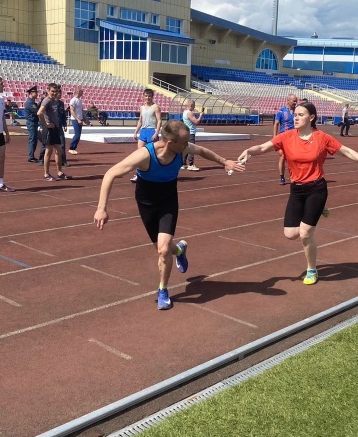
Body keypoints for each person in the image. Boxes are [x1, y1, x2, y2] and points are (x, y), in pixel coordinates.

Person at [94, 120, 245, 310]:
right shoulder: (144, 155)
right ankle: (180, 250)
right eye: (184, 143)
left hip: (168, 201)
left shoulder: (182, 149)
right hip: (146, 203)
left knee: (163, 250)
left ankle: (163, 289)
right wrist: (101, 208)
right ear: (170, 143)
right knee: (164, 247)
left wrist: (225, 162)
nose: (188, 146)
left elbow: (202, 151)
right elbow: (110, 174)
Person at [238, 102, 358, 285]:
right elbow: (262, 147)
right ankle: (319, 209)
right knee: (290, 234)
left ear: (312, 118)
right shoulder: (287, 137)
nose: (296, 118)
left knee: (305, 233)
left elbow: (346, 151)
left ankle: (312, 269)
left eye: (300, 115)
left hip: (316, 188)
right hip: (297, 189)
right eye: (295, 114)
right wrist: (248, 152)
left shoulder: (322, 138)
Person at [131, 89, 162, 182]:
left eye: (149, 96)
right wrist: (136, 132)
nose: (147, 98)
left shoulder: (155, 107)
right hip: (143, 131)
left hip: (152, 131)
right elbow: (140, 120)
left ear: (152, 97)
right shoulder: (142, 107)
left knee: (153, 154)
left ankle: (156, 173)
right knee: (140, 154)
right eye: (146, 96)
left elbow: (159, 120)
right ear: (143, 96)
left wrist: (156, 132)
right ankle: (139, 175)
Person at [274, 94, 298, 185]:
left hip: (295, 137)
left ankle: (295, 176)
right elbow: (276, 124)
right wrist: (275, 138)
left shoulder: (297, 111)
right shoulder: (281, 111)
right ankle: (282, 177)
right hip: (284, 137)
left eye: (296, 101)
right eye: (293, 101)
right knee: (283, 157)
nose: (295, 103)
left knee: (295, 158)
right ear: (288, 100)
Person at [181, 100, 204, 171]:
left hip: (187, 132)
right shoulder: (189, 113)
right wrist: (200, 116)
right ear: (191, 105)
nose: (194, 107)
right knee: (191, 148)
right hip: (191, 132)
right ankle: (190, 164)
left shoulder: (184, 112)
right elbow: (196, 121)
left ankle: (184, 163)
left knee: (185, 148)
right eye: (194, 106)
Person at [25, 86, 41, 162]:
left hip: (33, 122)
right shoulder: (30, 102)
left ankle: (32, 156)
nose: (37, 94)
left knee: (34, 139)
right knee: (33, 139)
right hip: (32, 122)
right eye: (35, 93)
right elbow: (37, 112)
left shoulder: (32, 102)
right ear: (31, 93)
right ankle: (31, 156)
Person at [68, 88, 85, 155]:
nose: (82, 94)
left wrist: (85, 119)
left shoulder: (80, 100)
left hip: (80, 119)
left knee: (78, 135)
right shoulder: (73, 100)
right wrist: (77, 119)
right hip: (75, 119)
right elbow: (71, 110)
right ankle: (71, 148)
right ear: (78, 92)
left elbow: (81, 110)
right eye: (81, 92)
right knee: (77, 135)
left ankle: (73, 148)